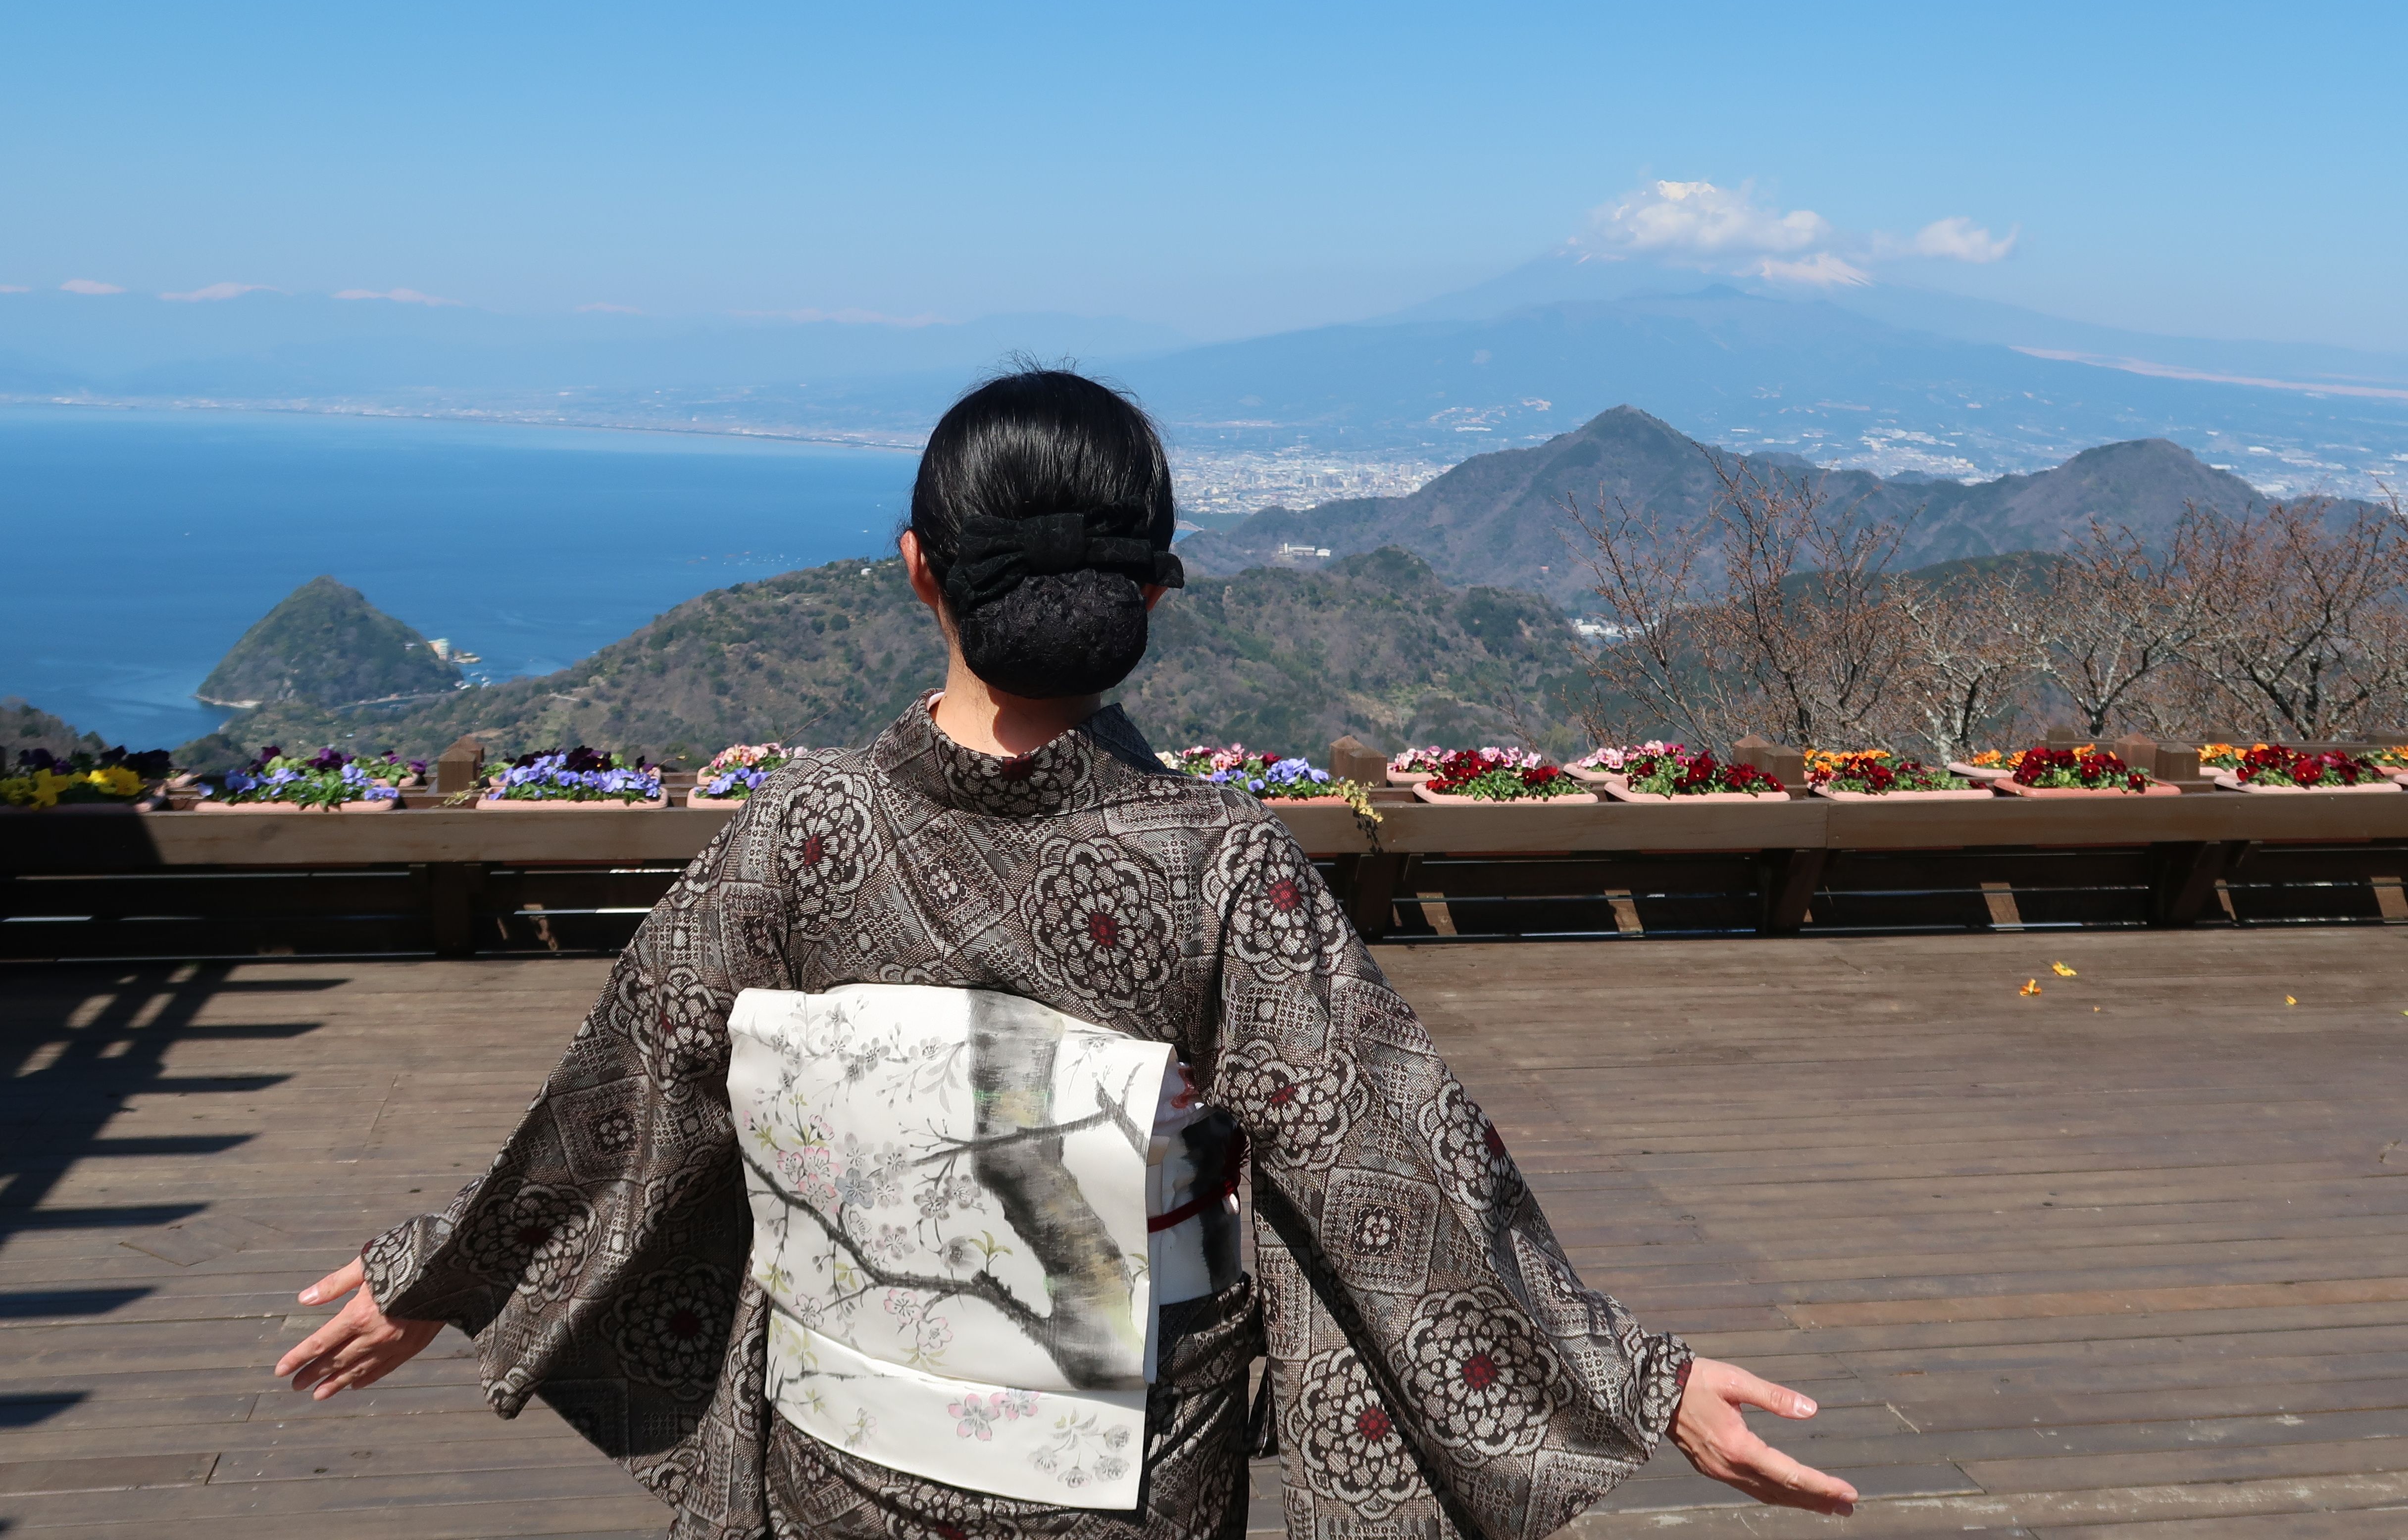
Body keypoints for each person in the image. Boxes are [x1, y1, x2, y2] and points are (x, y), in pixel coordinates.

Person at [276, 367, 1857, 1539]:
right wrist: (1636, 1377)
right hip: (1127, 1467)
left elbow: (627, 1102)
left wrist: (447, 1271)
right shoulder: (1217, 864)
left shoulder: (798, 832)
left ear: (917, 571)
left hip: (840, 1445)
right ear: (1156, 591)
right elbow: (1397, 1168)